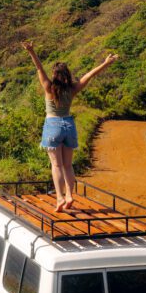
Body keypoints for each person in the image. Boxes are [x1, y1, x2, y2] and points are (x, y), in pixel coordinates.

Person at [21, 41, 118, 212]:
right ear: (67, 75)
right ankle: (69, 195)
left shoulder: (48, 87)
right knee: (67, 165)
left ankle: (59, 198)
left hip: (52, 125)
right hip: (69, 125)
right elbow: (90, 75)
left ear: (55, 75)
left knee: (56, 166)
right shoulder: (73, 88)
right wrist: (106, 63)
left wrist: (31, 51)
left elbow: (39, 69)